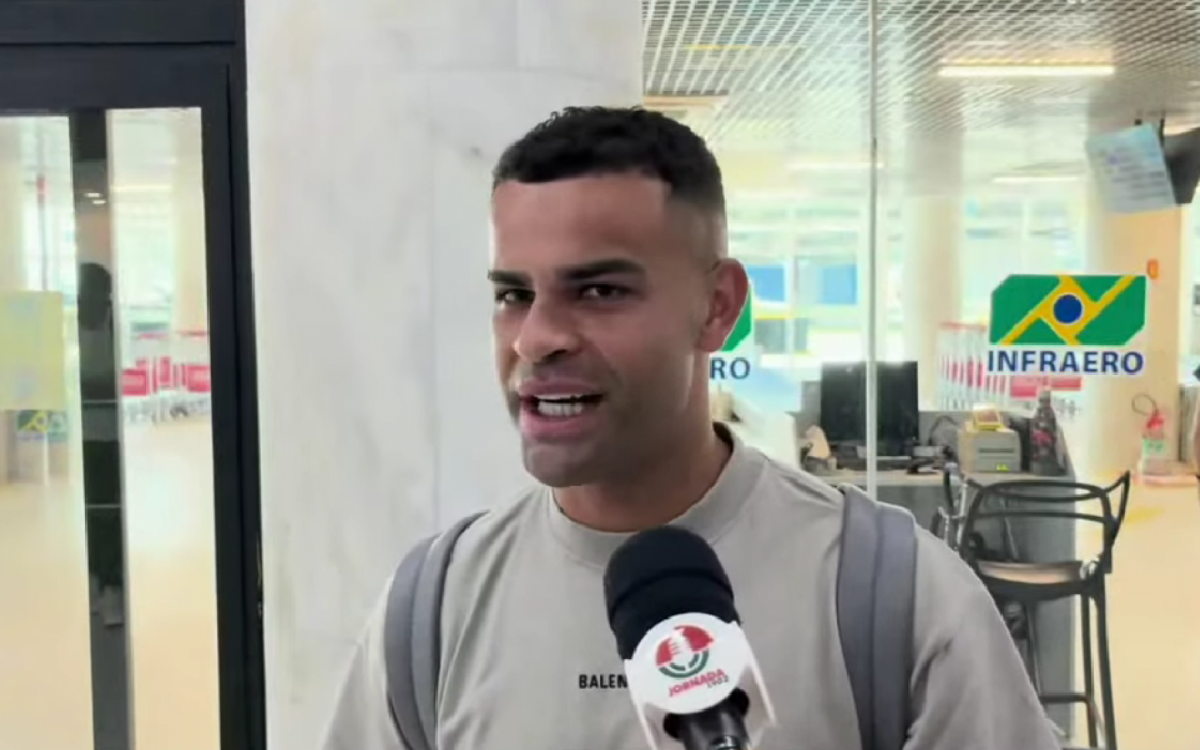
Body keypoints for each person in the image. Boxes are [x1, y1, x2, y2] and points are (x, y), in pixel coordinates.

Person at [322, 107, 1060, 750]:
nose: (536, 339)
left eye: (599, 290)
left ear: (717, 308)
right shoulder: (431, 612)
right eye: (514, 295)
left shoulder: (897, 600)